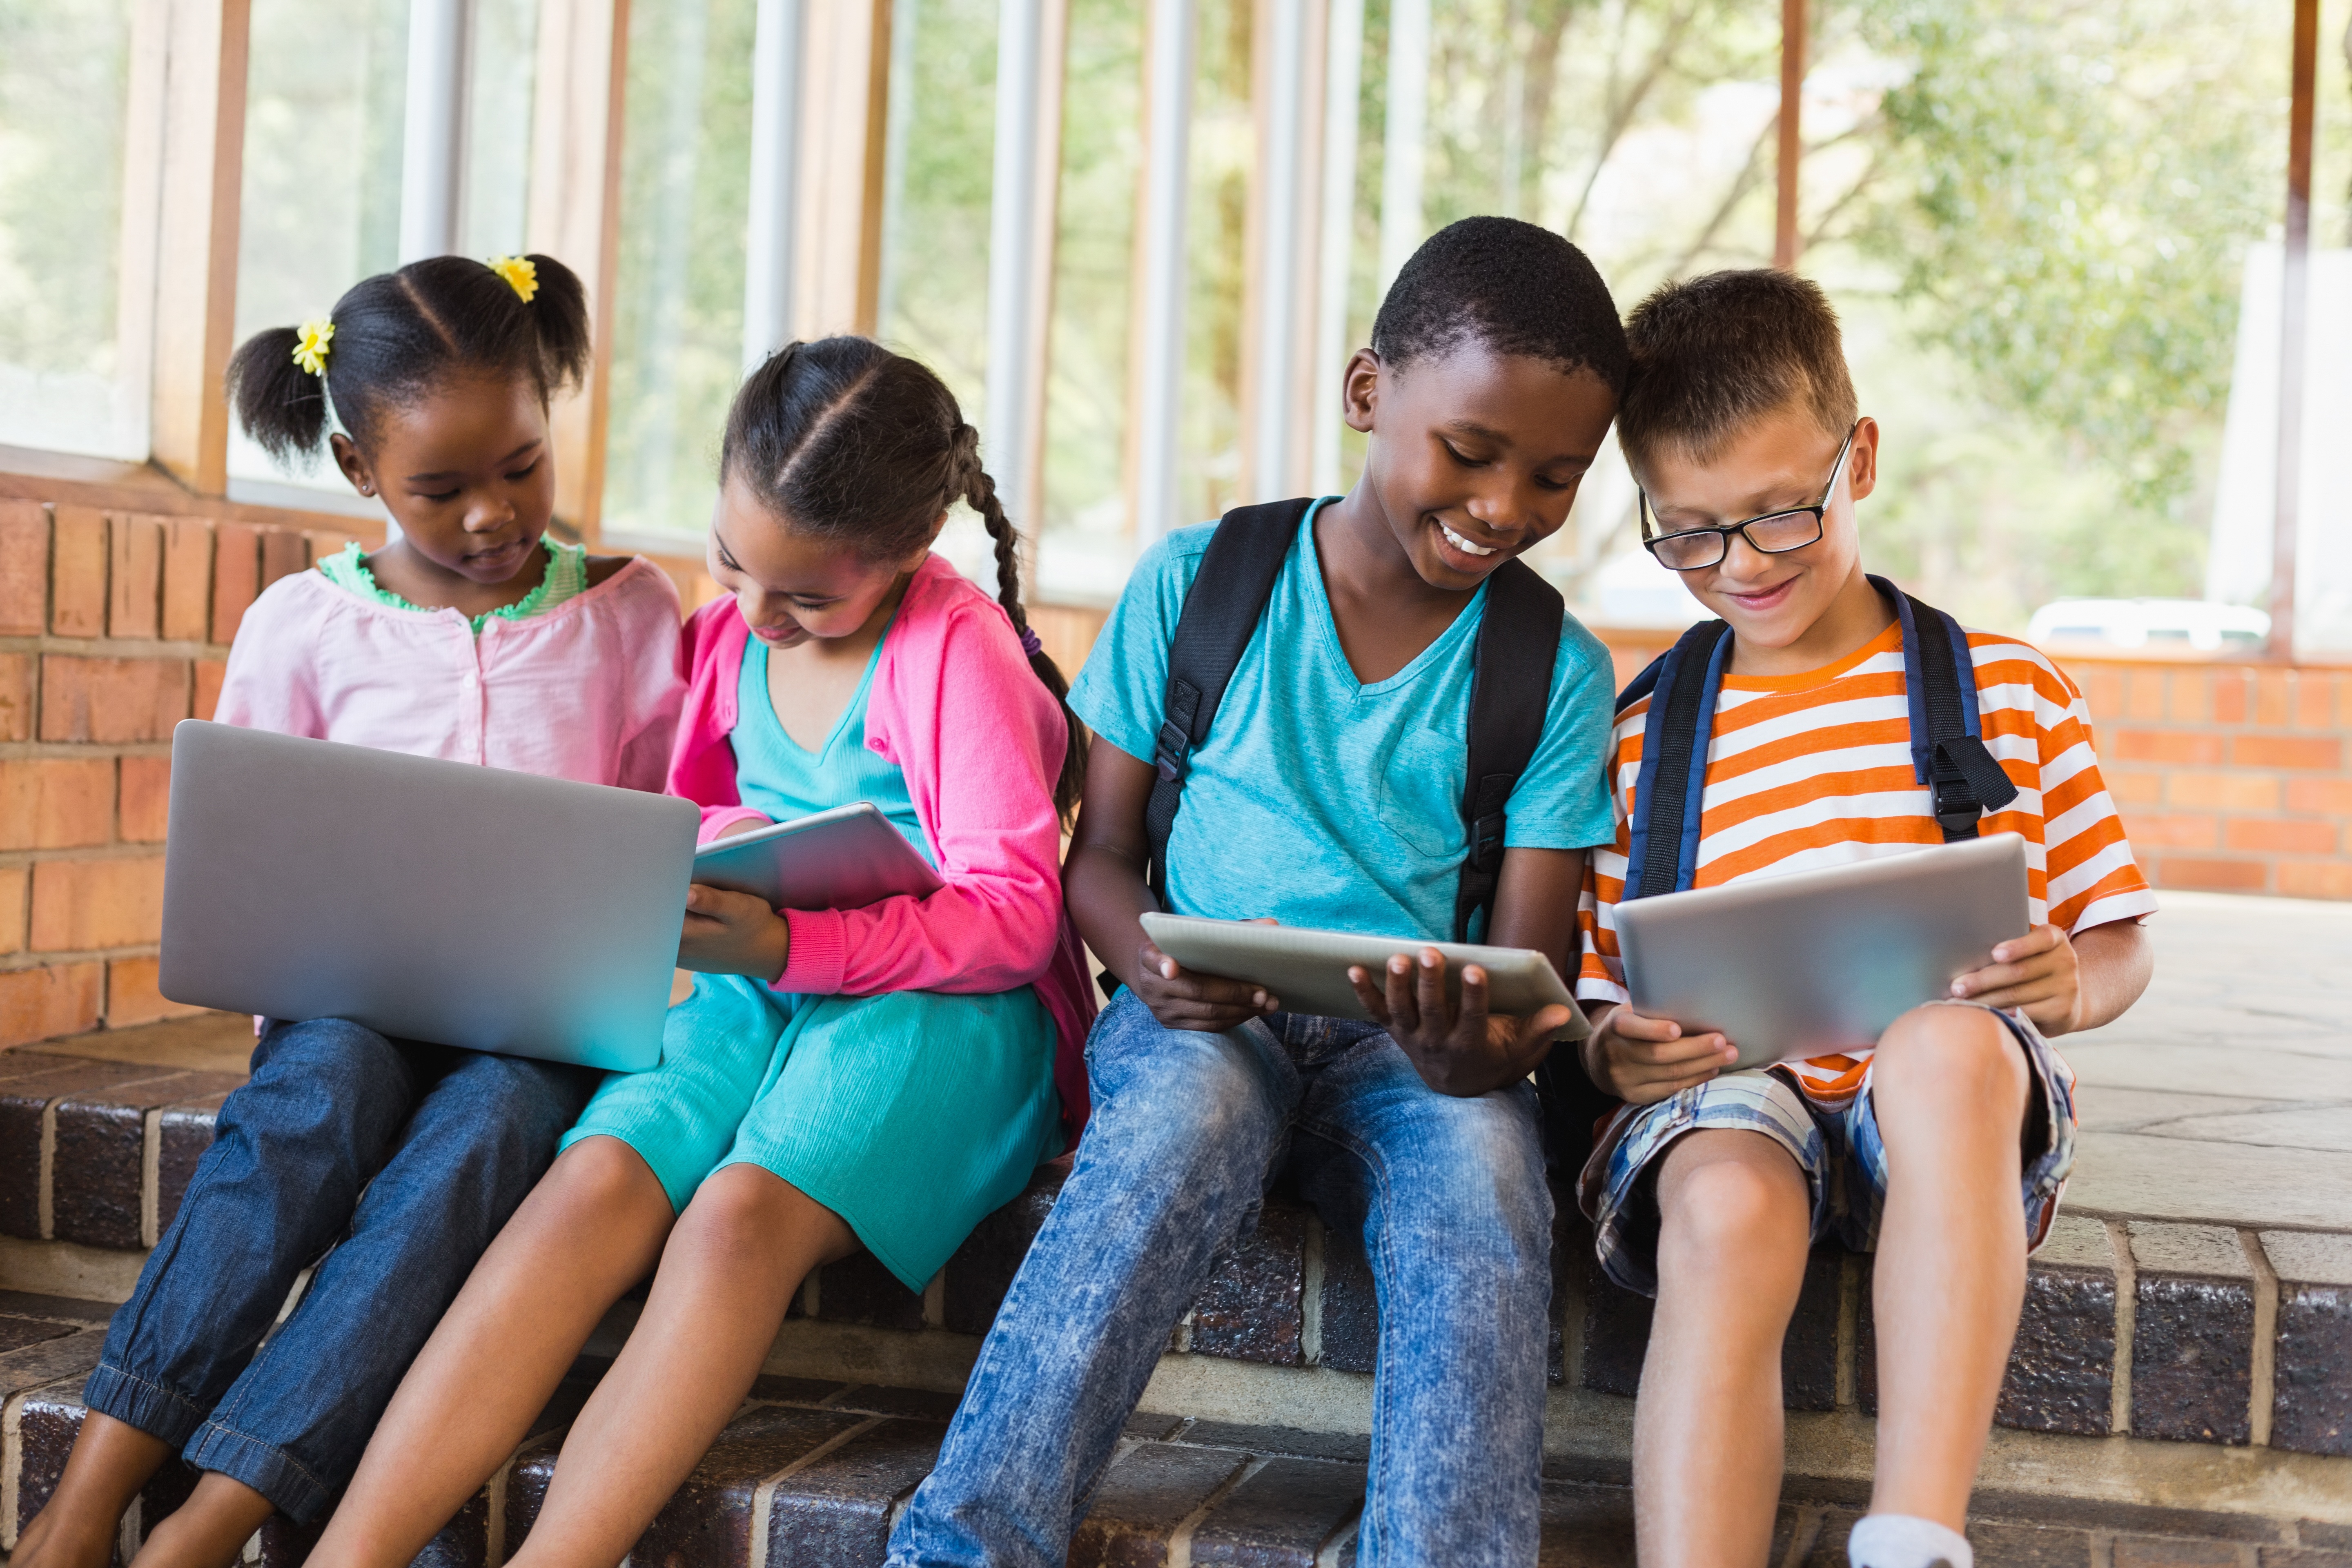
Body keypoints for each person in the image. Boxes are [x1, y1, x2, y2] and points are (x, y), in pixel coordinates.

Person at [887, 216, 1628, 1568]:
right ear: (1366, 393)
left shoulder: (1552, 672)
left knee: (1483, 1175)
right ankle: (966, 1547)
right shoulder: (1200, 584)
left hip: (1415, 1066)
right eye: (1470, 453)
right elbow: (1097, 862)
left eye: (1557, 480)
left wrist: (1484, 1056)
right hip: (1199, 1021)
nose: (1507, 507)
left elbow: (1529, 986)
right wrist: (1152, 968)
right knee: (1181, 1115)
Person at [305, 336, 1096, 1568]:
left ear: (910, 551)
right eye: (732, 561)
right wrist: (705, 881)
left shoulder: (957, 649)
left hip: (953, 1001)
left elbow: (1015, 914)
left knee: (733, 1217)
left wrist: (791, 938)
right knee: (595, 1179)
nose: (757, 612)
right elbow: (695, 808)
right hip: (766, 974)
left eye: (810, 598)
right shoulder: (733, 633)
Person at [11, 254, 686, 1568]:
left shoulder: (629, 611)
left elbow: (674, 821)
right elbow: (251, 853)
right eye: (443, 488)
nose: (496, 515)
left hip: (537, 1031)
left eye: (523, 467)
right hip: (343, 1007)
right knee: (308, 1106)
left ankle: (217, 1519)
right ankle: (85, 1502)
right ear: (356, 469)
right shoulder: (303, 624)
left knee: (482, 1135)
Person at [1574, 269, 2156, 1568]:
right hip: (1739, 1104)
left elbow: (2118, 941)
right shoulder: (1639, 736)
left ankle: (1911, 1534)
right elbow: (1607, 995)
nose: (1743, 567)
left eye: (1783, 515)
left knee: (1943, 1045)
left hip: (1939, 1116)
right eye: (1693, 534)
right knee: (1720, 1203)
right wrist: (1619, 1053)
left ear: (1862, 458)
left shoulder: (2005, 690)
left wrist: (2072, 986)